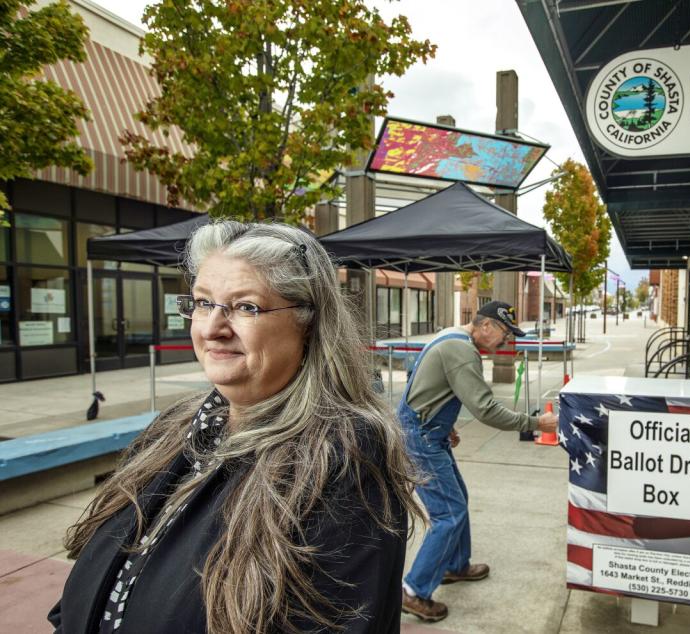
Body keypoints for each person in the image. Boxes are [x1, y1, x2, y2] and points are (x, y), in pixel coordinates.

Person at [50, 221, 421, 633]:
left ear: (309, 323)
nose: (212, 328)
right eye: (203, 303)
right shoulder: (177, 426)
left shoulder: (343, 455)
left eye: (246, 307)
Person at [399, 300, 559, 622]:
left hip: (427, 431)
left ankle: (456, 566)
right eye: (504, 333)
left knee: (458, 501)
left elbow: (420, 383)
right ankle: (414, 590)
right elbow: (486, 409)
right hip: (422, 438)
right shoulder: (463, 351)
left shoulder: (451, 336)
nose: (506, 340)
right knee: (449, 513)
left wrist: (446, 424)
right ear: (486, 326)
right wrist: (535, 423)